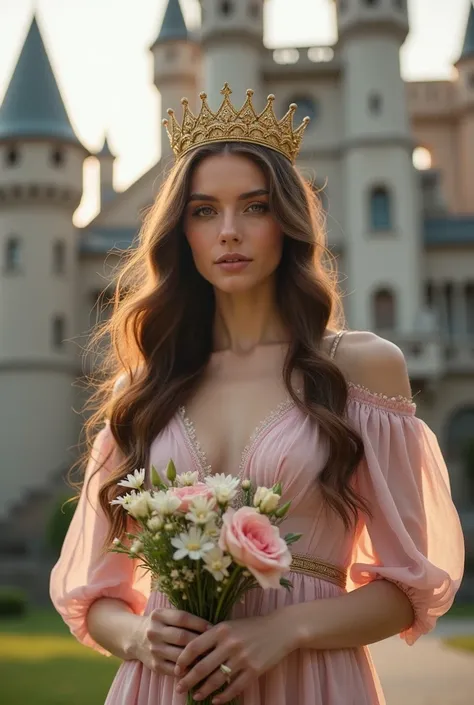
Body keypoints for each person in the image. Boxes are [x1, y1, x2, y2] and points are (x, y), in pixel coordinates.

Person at [50, 84, 465, 705]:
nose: (229, 232)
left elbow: (408, 588)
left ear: (288, 222)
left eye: (254, 206)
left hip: (312, 681)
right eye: (203, 211)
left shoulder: (361, 369)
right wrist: (140, 636)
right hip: (164, 683)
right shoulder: (143, 389)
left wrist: (286, 628)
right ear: (180, 231)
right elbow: (95, 591)